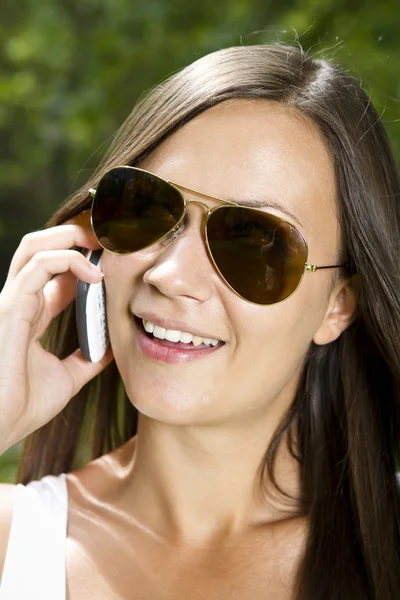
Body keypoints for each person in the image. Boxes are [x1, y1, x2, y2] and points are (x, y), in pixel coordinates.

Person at [0, 43, 399, 600]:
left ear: (338, 305)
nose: (171, 274)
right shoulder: (11, 545)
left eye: (254, 242)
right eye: (146, 208)